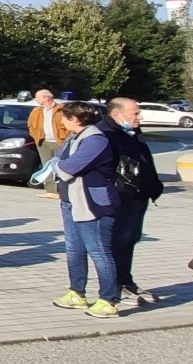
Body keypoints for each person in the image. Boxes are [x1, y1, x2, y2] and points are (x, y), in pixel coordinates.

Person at [51, 102, 123, 317]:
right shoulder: (75, 137)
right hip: (70, 200)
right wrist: (56, 163)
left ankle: (108, 300)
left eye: (64, 118)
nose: (61, 122)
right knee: (74, 250)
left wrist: (56, 164)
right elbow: (59, 159)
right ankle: (76, 292)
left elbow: (65, 167)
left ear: (76, 119)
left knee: (99, 251)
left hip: (92, 204)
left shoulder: (96, 140)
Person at [100, 98, 161, 307]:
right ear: (118, 115)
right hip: (120, 197)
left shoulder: (132, 132)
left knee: (130, 239)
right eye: (135, 113)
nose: (139, 117)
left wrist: (154, 186)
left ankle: (127, 281)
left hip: (139, 196)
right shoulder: (105, 134)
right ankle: (115, 287)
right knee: (118, 241)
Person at [27, 88, 65, 195]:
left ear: (46, 97)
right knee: (46, 167)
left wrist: (65, 139)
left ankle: (61, 191)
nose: (36, 99)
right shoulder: (36, 111)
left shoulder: (61, 110)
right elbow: (30, 125)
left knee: (59, 166)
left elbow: (69, 126)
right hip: (43, 143)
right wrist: (36, 136)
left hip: (59, 143)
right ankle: (51, 191)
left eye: (38, 97)